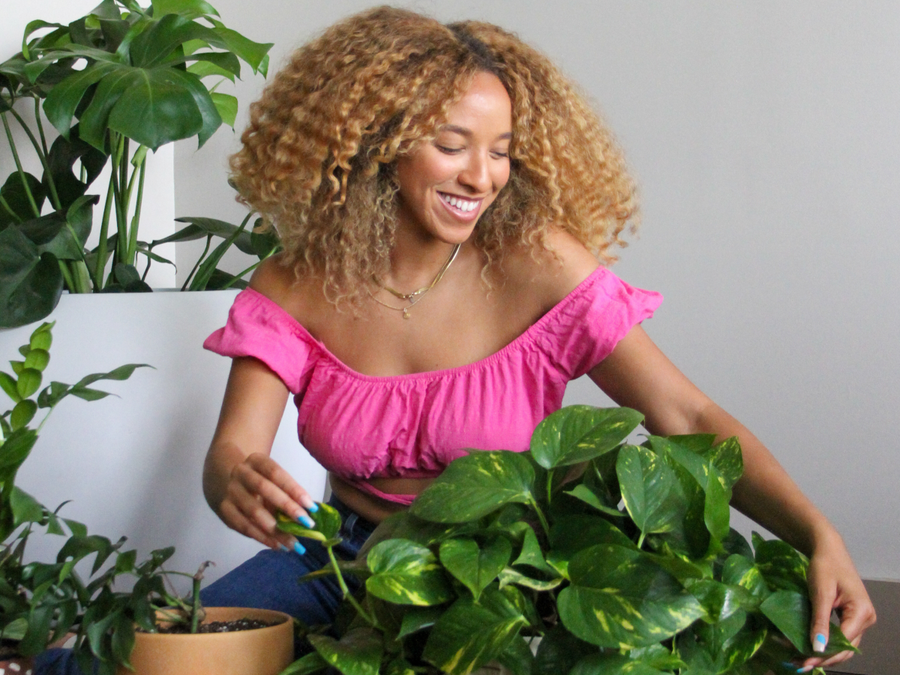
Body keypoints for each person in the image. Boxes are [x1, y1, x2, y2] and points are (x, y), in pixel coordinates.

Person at [198, 6, 875, 672]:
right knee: (163, 652)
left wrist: (818, 534)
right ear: (379, 142)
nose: (481, 177)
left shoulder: (539, 264)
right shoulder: (296, 283)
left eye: (501, 151)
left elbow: (687, 416)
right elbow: (232, 450)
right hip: (341, 559)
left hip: (515, 570)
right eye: (451, 145)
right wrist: (234, 481)